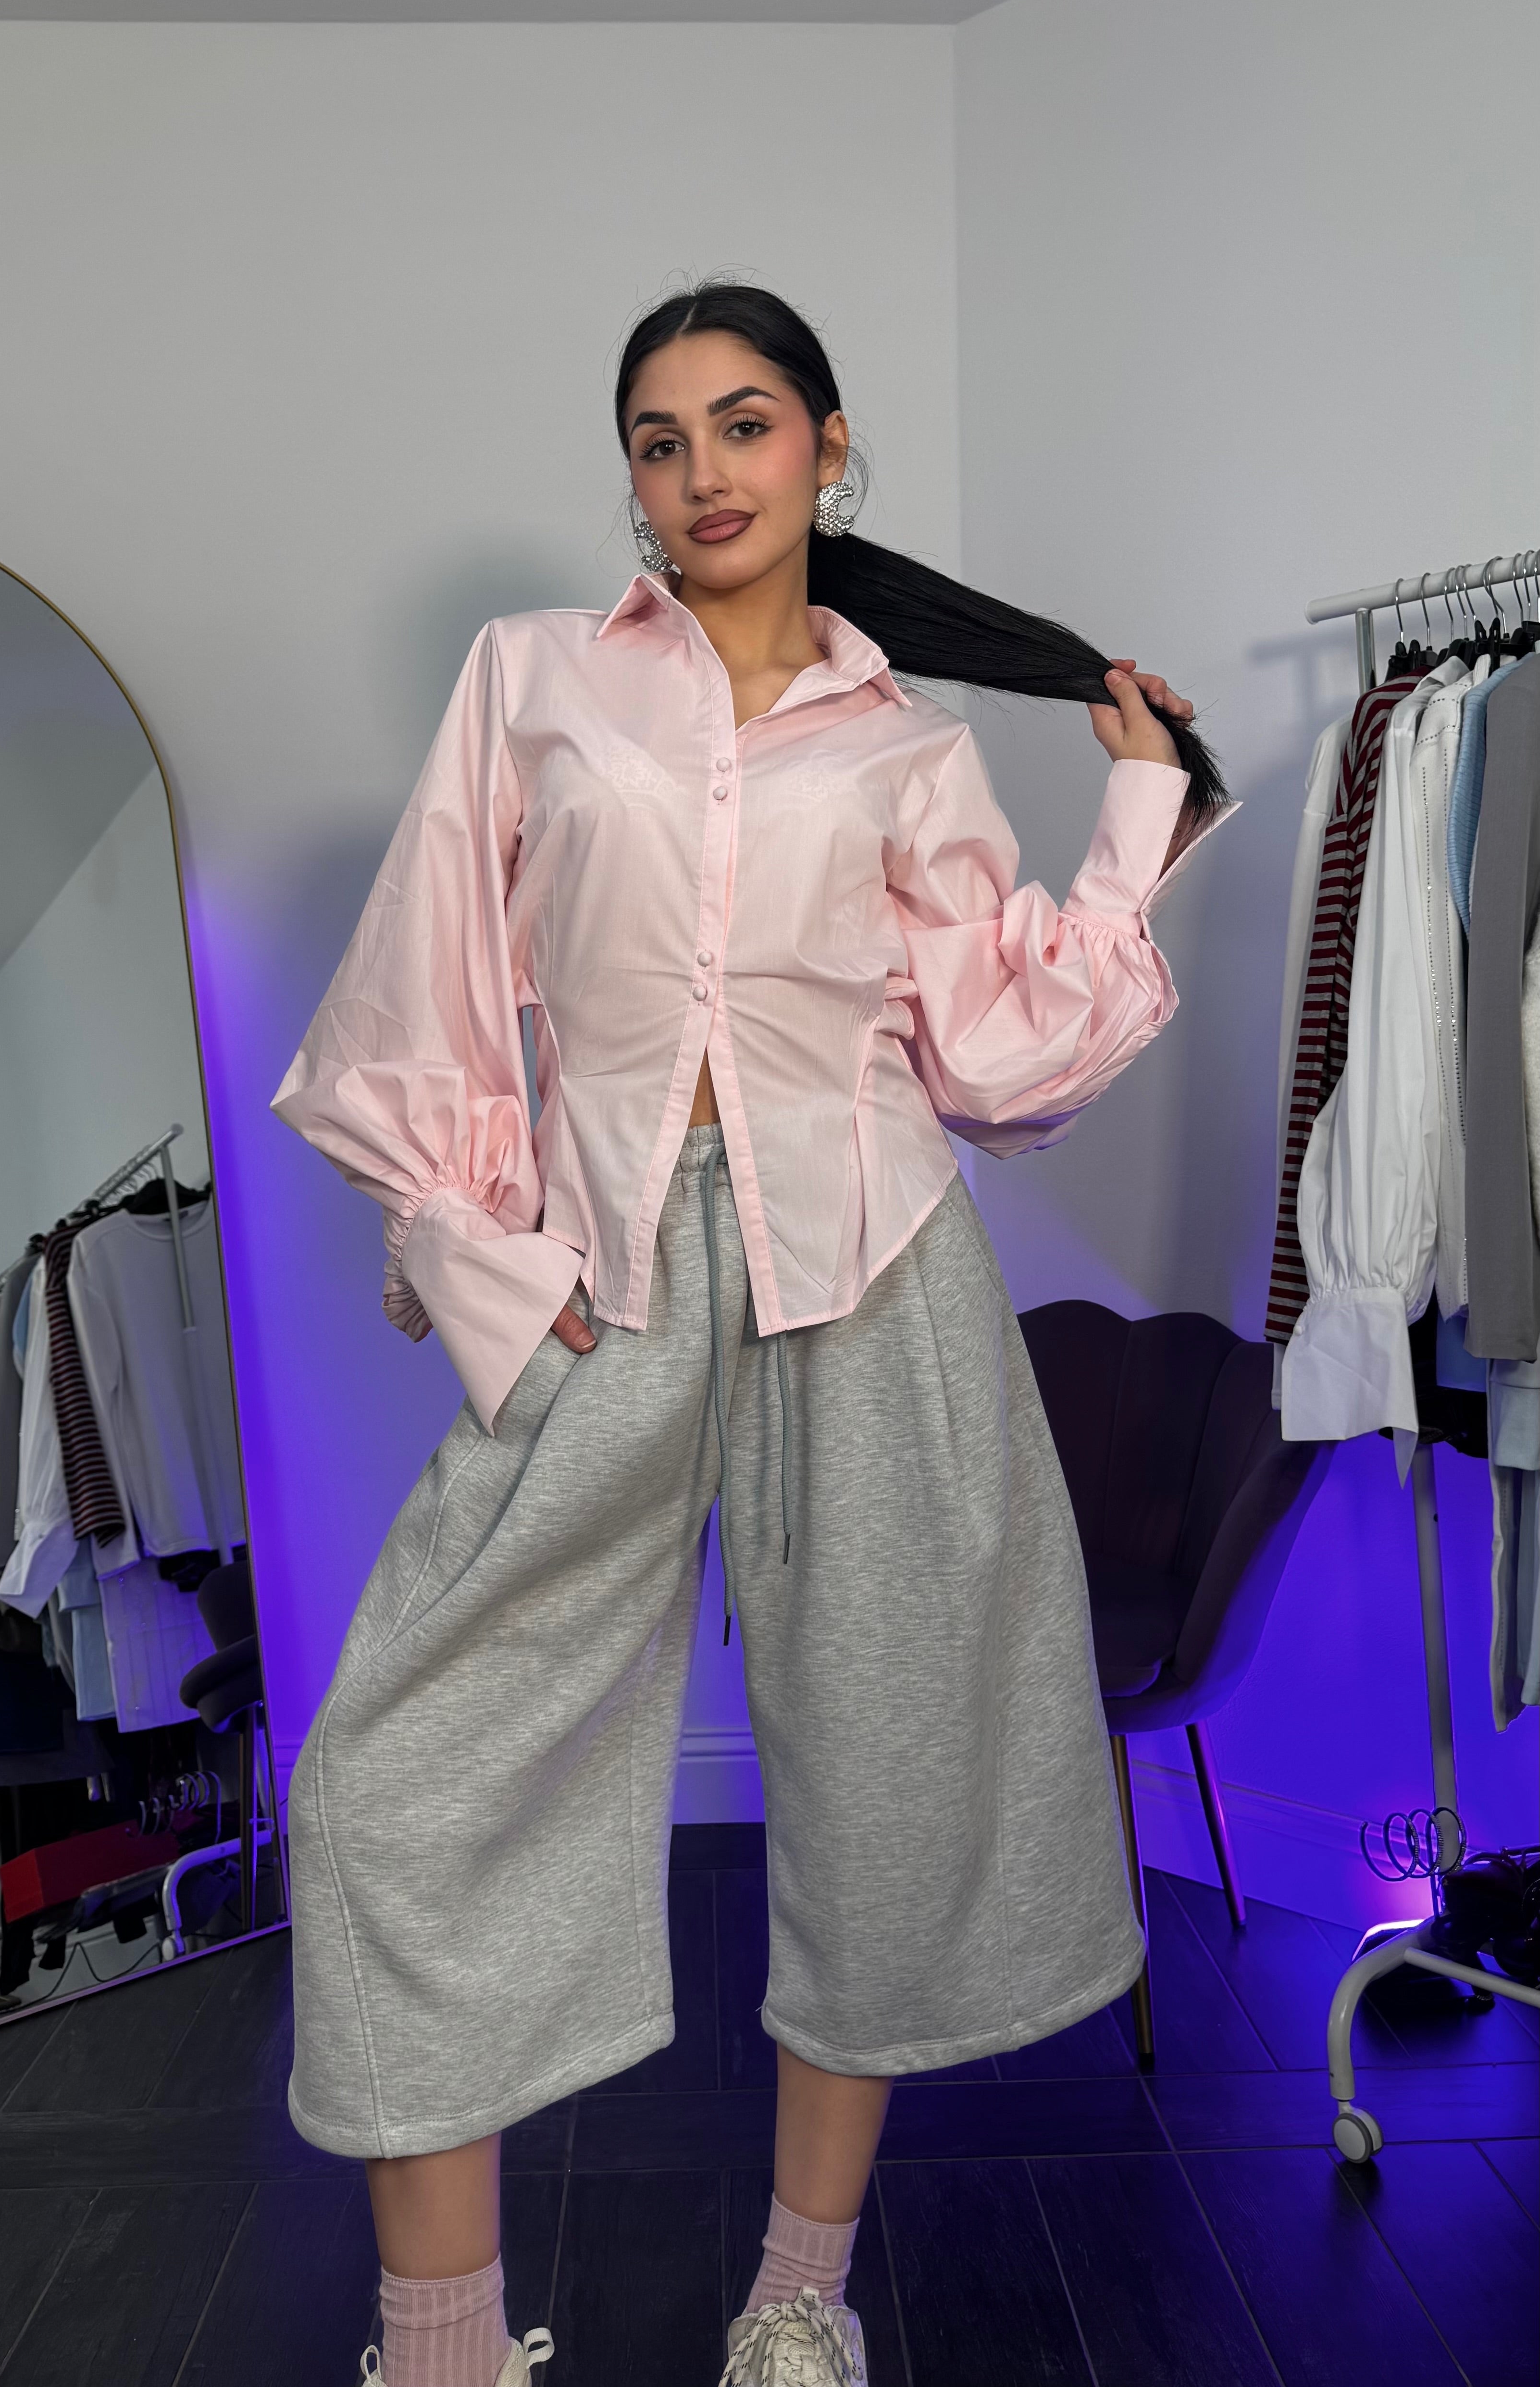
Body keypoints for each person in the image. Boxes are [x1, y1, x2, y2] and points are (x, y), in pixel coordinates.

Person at [273, 283, 1230, 2387]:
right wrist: (475, 1248)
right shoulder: (534, 678)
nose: (702, 472)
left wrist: (1137, 816)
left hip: (873, 1269)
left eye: (745, 423)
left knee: (883, 1777)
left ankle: (799, 2303)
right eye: (659, 437)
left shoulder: (908, 742)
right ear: (630, 475)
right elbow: (429, 978)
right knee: (391, 1785)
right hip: (608, 1266)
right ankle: (441, 2345)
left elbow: (996, 1056)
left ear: (828, 447)